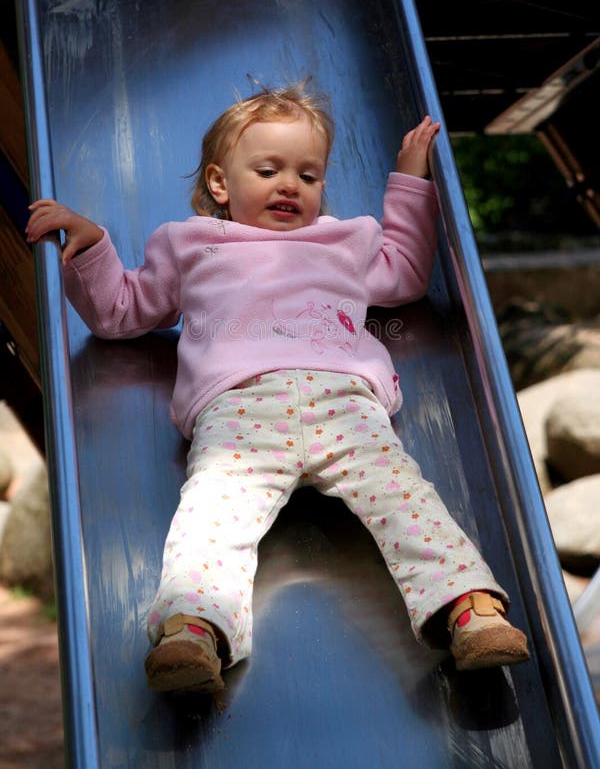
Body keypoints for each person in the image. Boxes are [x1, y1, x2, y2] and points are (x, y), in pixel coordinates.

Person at [26, 83, 529, 695]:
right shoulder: (191, 244)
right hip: (239, 411)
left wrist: (409, 179)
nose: (290, 184)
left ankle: (469, 608)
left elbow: (403, 273)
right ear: (220, 183)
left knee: (407, 499)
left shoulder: (342, 240)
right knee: (211, 517)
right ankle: (194, 629)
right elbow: (121, 312)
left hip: (345, 402)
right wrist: (93, 244)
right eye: (268, 170)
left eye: (309, 175)